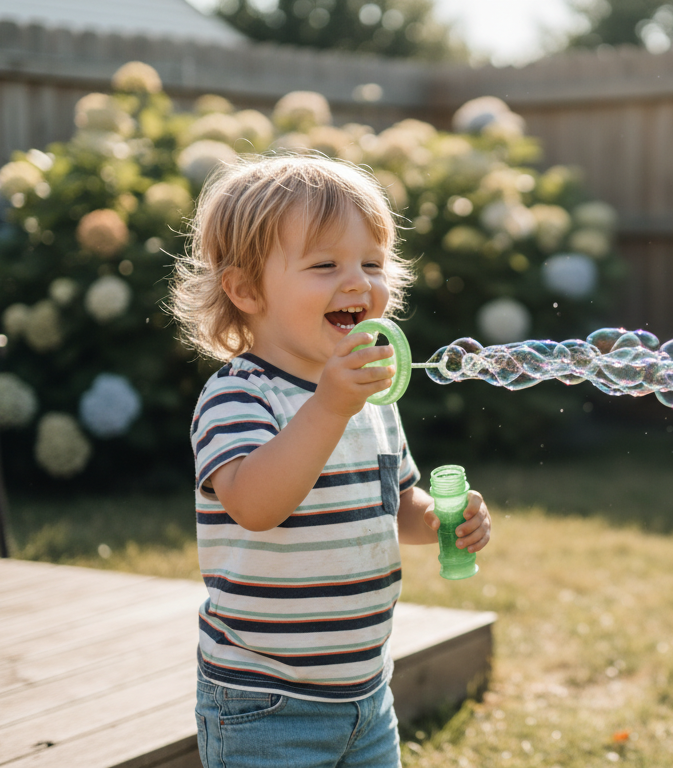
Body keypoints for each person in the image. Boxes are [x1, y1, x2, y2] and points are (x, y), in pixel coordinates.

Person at [169, 153, 492, 768]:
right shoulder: (240, 395)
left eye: (372, 263)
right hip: (265, 704)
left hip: (366, 693)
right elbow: (256, 505)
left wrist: (443, 520)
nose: (357, 282)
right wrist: (329, 408)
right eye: (325, 265)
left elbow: (392, 505)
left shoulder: (369, 395)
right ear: (244, 289)